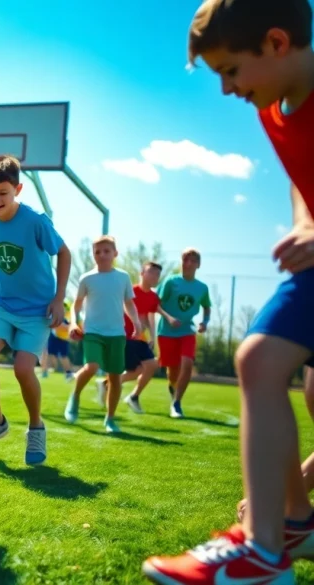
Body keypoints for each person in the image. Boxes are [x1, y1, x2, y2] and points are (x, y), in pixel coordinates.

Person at [144, 1, 314, 581]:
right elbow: (301, 176)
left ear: (276, 42)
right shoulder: (272, 109)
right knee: (269, 368)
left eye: (231, 70)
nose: (225, 89)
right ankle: (293, 525)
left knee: (260, 361)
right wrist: (306, 223)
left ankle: (264, 552)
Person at [0, 154, 71, 466]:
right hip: (2, 303)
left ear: (18, 190)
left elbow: (64, 253)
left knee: (24, 369)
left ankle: (36, 427)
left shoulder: (36, 221)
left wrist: (59, 298)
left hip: (37, 309)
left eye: (2, 193)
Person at [63, 236, 139, 434]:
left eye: (106, 251)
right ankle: (75, 396)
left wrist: (137, 323)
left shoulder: (123, 277)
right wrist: (73, 323)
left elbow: (129, 303)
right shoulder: (87, 278)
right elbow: (76, 305)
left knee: (115, 377)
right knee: (92, 366)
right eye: (97, 252)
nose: (102, 255)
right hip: (93, 332)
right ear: (93, 255)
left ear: (115, 253)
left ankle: (110, 419)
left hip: (117, 334)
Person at [157, 248, 211, 419]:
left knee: (187, 364)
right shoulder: (171, 281)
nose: (188, 264)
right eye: (185, 260)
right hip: (167, 332)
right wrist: (169, 317)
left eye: (193, 261)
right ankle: (173, 387)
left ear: (198, 265)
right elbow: (156, 304)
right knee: (173, 371)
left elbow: (207, 307)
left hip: (187, 330)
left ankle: (177, 403)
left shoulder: (202, 288)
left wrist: (205, 322)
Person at [119, 261, 176, 414]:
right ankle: (108, 383)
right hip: (125, 337)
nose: (154, 276)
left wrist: (151, 336)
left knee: (151, 365)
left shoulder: (153, 297)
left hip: (140, 338)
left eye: (157, 274)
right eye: (151, 272)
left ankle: (133, 396)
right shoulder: (130, 291)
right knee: (136, 370)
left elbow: (148, 316)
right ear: (142, 273)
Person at [41, 302, 74, 381]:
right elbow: (56, 325)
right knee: (49, 354)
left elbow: (65, 327)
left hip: (63, 338)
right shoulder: (57, 313)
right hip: (54, 336)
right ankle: (44, 372)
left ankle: (68, 373)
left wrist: (67, 327)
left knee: (63, 356)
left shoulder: (69, 316)